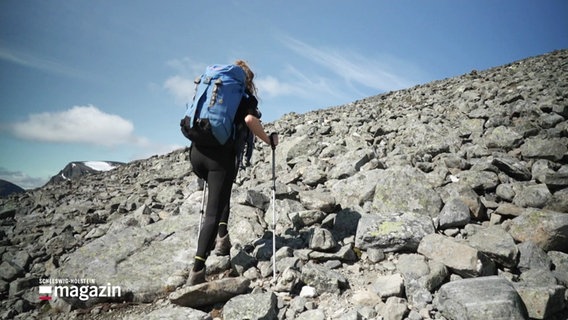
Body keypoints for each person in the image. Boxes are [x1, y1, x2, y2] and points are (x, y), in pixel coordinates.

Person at [188, 60, 278, 285]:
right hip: (219, 158)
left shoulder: (213, 88)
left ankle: (222, 239)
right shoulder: (243, 95)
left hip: (196, 152)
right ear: (247, 79)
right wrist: (269, 140)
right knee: (212, 212)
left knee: (222, 191)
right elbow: (250, 120)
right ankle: (197, 270)